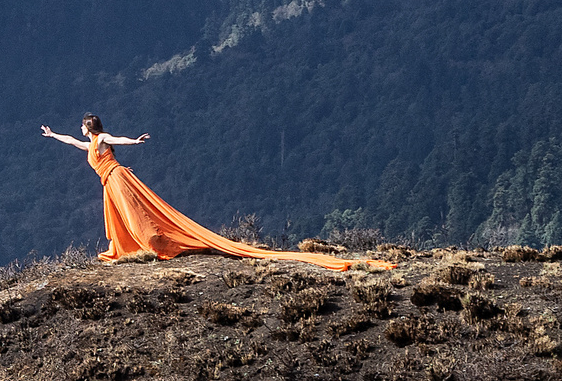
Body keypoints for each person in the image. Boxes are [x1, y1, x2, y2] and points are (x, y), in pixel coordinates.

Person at [41, 115, 363, 272]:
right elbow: (73, 142)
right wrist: (54, 135)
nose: (81, 131)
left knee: (135, 214)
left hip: (117, 178)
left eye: (83, 126)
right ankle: (133, 246)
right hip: (109, 182)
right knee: (122, 217)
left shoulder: (101, 139)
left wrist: (135, 142)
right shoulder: (89, 143)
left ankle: (153, 242)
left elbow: (117, 139)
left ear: (90, 127)